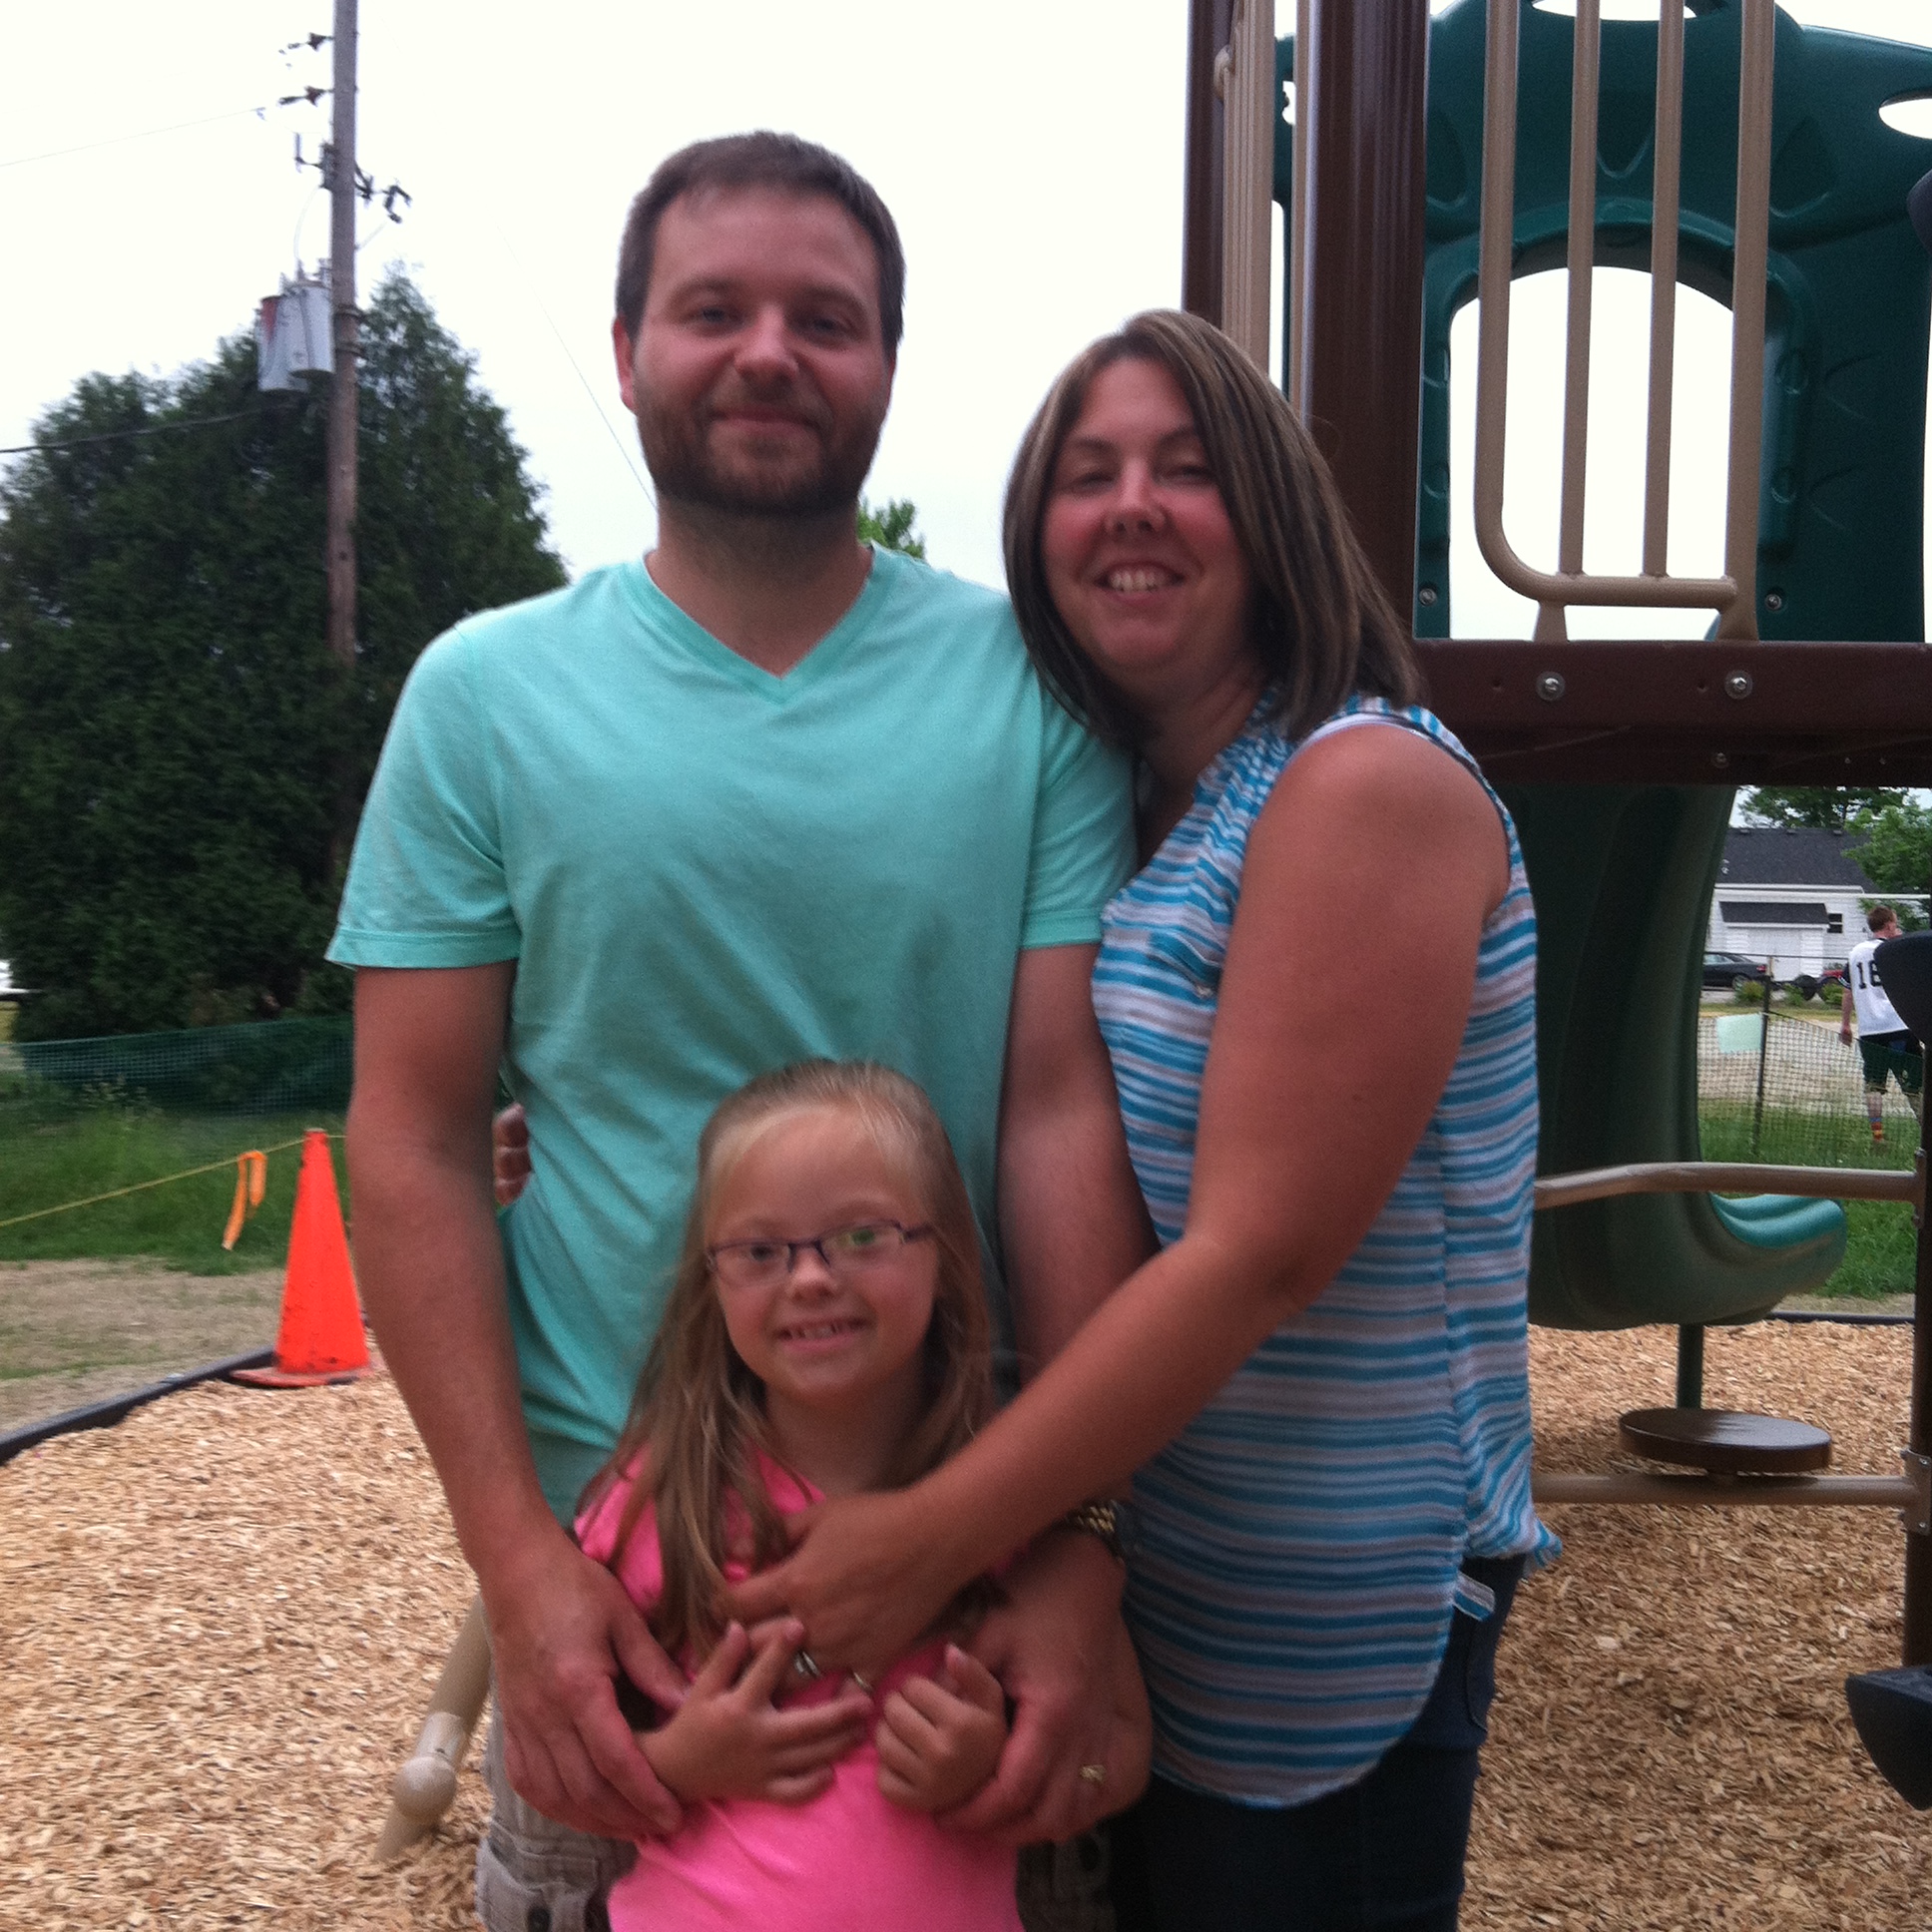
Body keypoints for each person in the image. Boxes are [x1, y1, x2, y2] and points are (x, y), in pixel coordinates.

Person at [330, 132, 1149, 1932]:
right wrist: (519, 1569)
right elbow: (411, 1137)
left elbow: (1056, 1114)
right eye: (714, 311)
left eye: (825, 320)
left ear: (887, 366)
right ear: (627, 352)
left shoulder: (1033, 692)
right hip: (624, 1604)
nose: (770, 352)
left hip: (966, 1568)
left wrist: (1081, 1545)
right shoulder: (484, 698)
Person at [729, 309, 1558, 1932]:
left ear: (1272, 515)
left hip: (1337, 1597)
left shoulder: (1360, 786)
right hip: (1161, 1558)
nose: (1130, 507)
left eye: (1186, 470)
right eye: (1087, 472)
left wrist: (932, 1536)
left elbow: (1259, 1254)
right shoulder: (1146, 802)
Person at [575, 1059, 1150, 1931]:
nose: (810, 1278)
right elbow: (565, 1760)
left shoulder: (1010, 1500)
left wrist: (991, 1766)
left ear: (943, 1256)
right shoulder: (665, 1496)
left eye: (862, 1236)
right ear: (711, 1279)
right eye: (760, 1251)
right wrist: (680, 1763)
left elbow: (1125, 1749)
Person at [1839, 905, 1924, 1144]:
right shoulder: (1894, 951)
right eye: (1895, 923)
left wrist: (1845, 1024)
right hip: (1898, 1026)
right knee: (1915, 1085)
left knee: (1874, 1084)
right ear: (1888, 925)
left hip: (1870, 1031)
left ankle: (1878, 1137)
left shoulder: (1855, 953)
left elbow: (1847, 991)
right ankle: (1927, 1136)